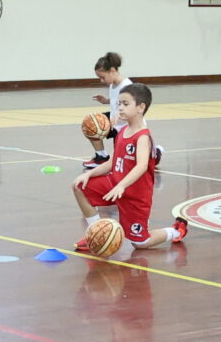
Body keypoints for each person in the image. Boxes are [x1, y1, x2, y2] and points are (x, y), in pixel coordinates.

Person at [71, 82, 185, 258]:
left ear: (140, 107)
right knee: (78, 186)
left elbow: (141, 166)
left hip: (135, 195)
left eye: (125, 104)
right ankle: (95, 232)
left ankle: (176, 231)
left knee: (140, 243)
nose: (120, 108)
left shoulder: (143, 137)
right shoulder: (122, 131)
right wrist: (90, 173)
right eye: (119, 104)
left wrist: (122, 186)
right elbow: (113, 162)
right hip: (115, 183)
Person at [83, 51, 129, 168]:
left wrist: (120, 115)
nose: (101, 80)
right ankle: (101, 156)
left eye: (102, 77)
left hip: (127, 126)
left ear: (112, 71)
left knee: (124, 162)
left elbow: (131, 106)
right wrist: (106, 101)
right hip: (115, 121)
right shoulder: (113, 85)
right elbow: (118, 100)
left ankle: (154, 153)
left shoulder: (127, 86)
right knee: (91, 123)